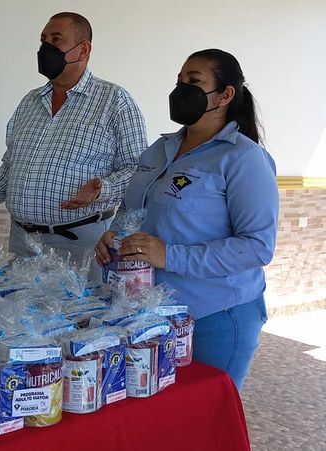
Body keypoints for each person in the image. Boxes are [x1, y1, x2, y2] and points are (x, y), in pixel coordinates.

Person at [95, 49, 278, 390]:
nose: (180, 90)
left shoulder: (243, 158)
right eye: (179, 81)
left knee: (206, 411)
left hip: (215, 315)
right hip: (151, 310)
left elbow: (257, 247)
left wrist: (170, 255)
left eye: (193, 82)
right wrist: (113, 235)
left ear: (224, 95)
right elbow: (134, 210)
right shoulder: (159, 149)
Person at [0, 12, 147, 270]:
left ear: (83, 50)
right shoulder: (30, 101)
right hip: (23, 242)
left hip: (83, 244)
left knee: (83, 300)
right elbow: (12, 165)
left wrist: (102, 190)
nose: (45, 48)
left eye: (56, 40)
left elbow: (139, 171)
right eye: (43, 40)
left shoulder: (114, 101)